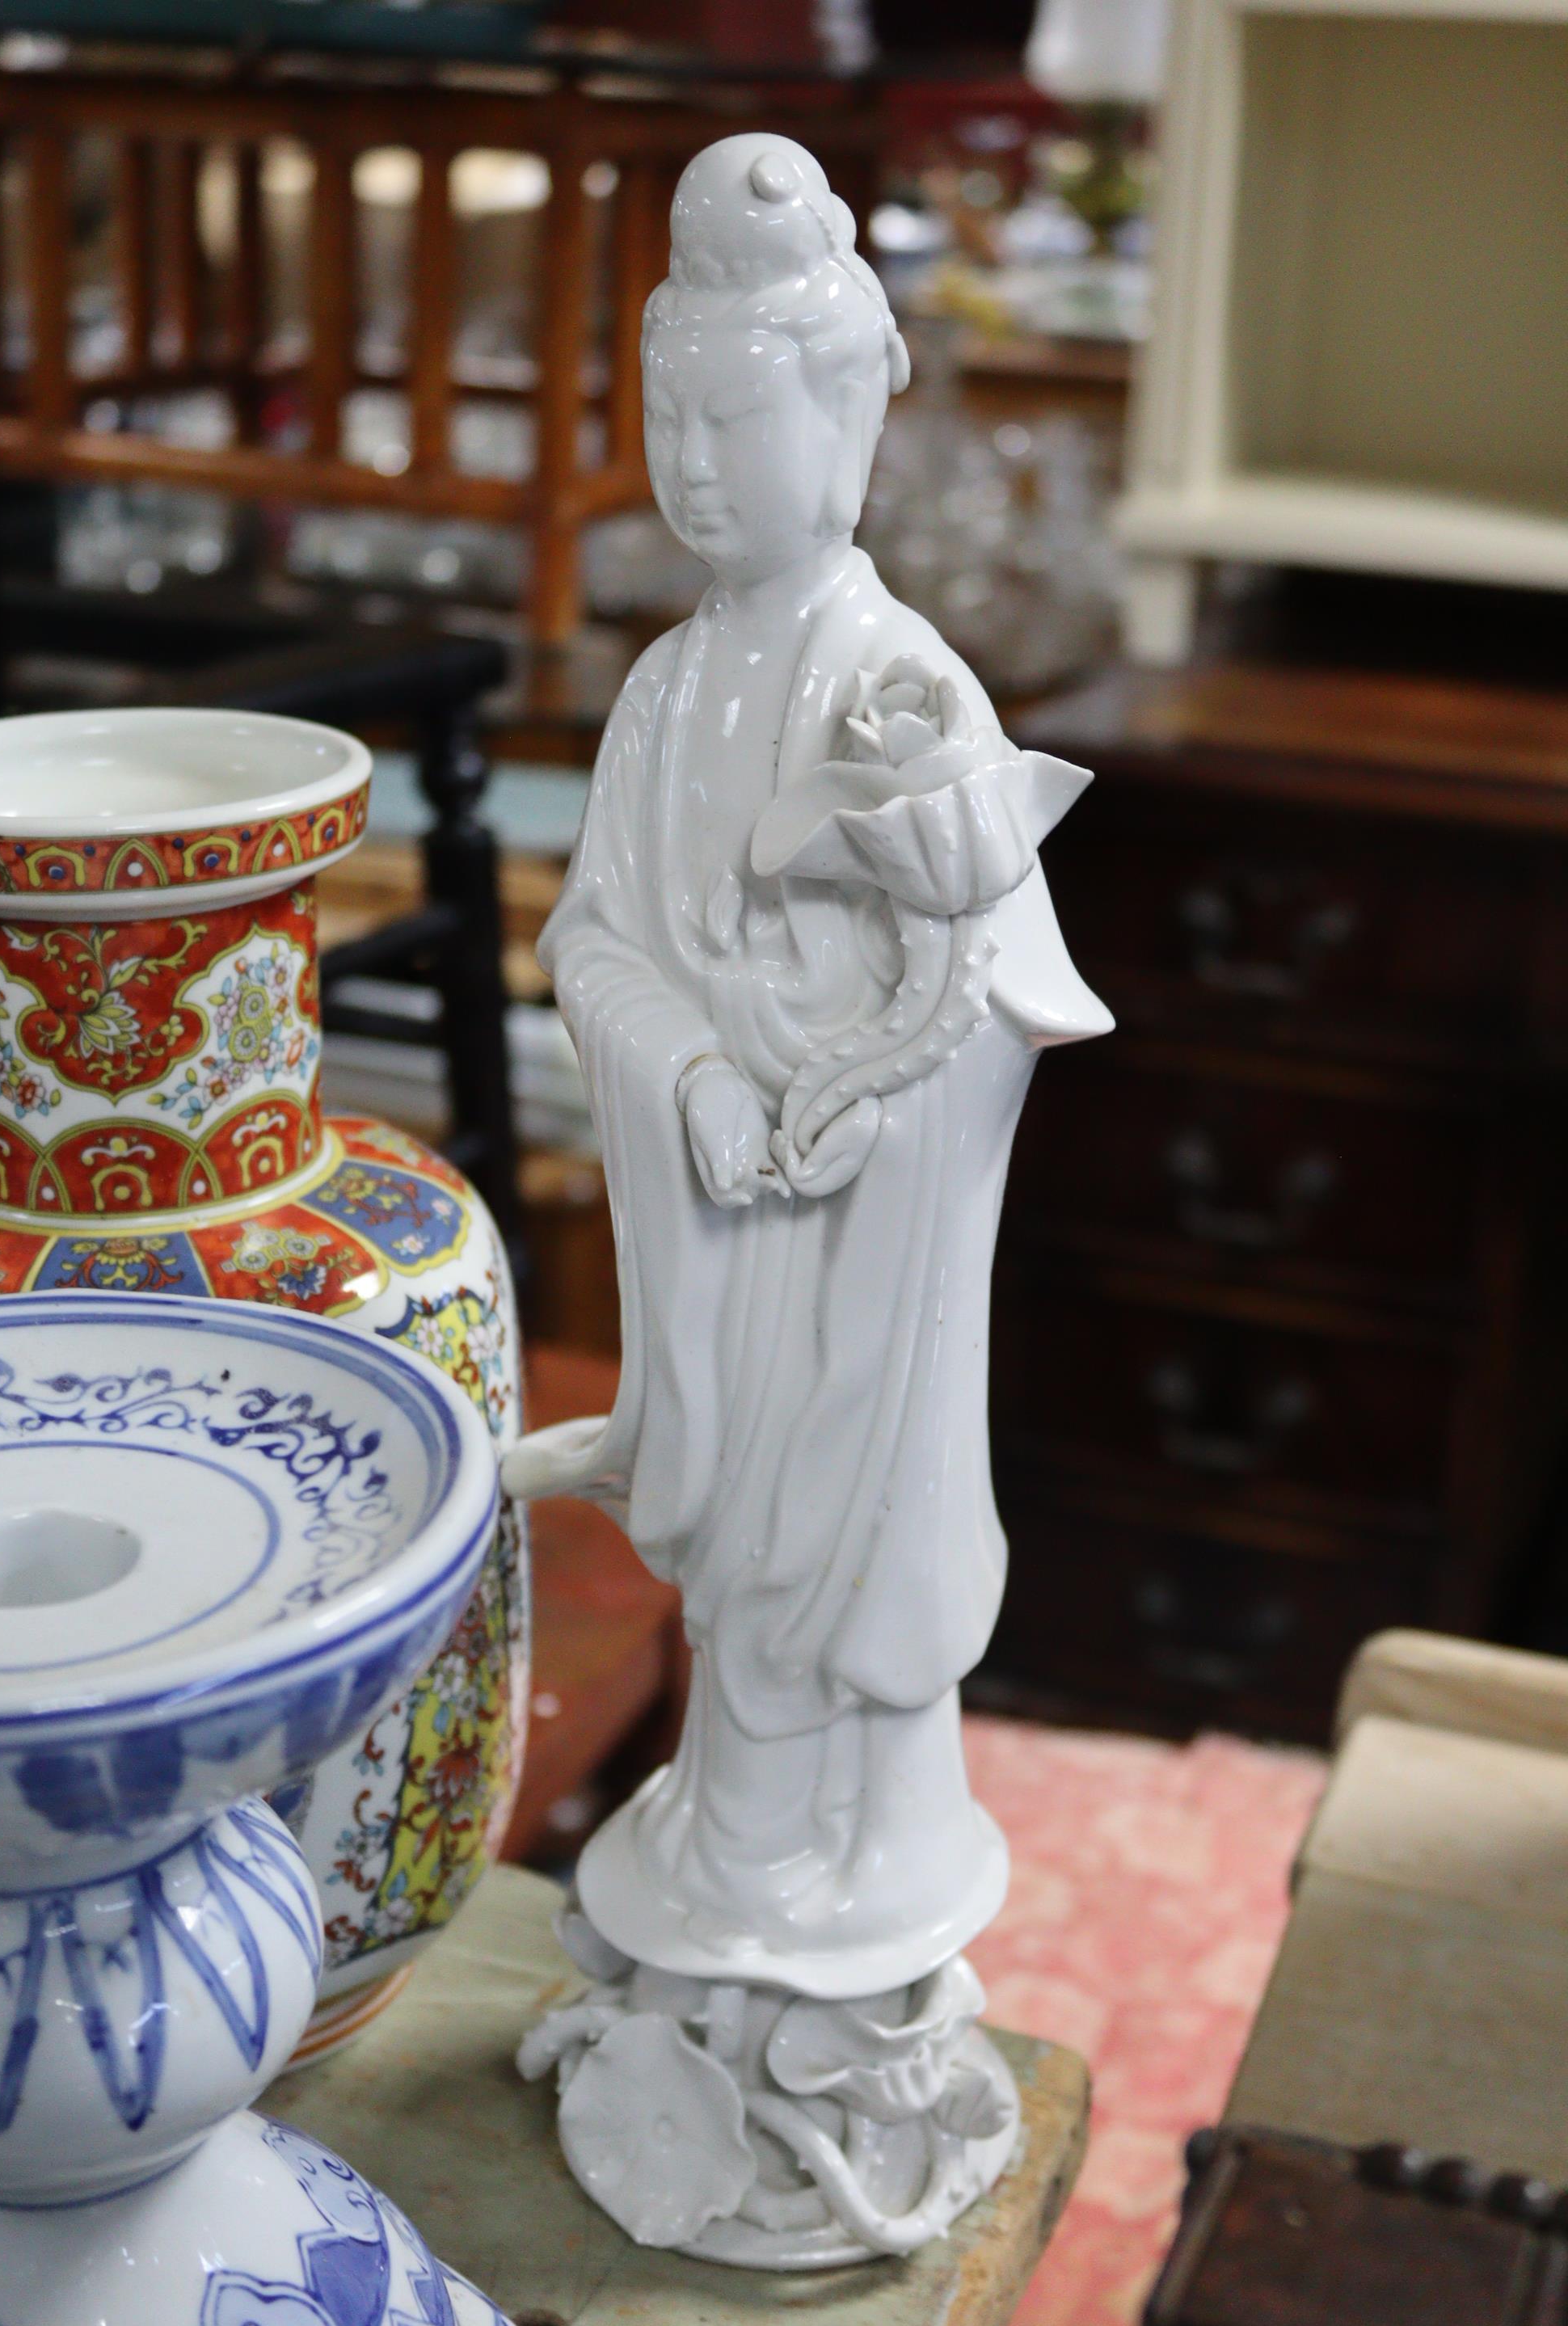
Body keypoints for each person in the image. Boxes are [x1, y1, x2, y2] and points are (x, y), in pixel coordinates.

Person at [505, 133, 1110, 1993]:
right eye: (666, 416)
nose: (693, 464)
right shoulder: (666, 686)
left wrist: (865, 1060)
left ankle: (845, 1867)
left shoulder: (906, 688)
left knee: (833, 1561)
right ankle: (743, 1847)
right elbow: (593, 935)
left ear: (842, 426)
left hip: (861, 1233)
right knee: (737, 1561)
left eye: (736, 419)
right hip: (727, 1207)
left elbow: (1004, 979)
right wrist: (693, 1073)